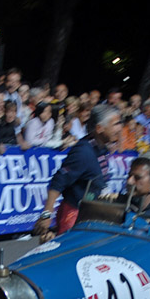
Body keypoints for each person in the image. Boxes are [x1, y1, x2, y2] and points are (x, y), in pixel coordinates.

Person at [33, 104, 123, 242]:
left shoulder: (101, 147)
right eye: (116, 124)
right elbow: (58, 182)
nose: (120, 128)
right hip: (74, 217)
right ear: (99, 128)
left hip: (93, 215)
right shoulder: (83, 151)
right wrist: (46, 215)